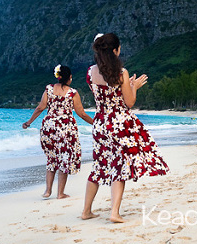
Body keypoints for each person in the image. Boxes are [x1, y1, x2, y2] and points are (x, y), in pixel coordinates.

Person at [81, 33, 169, 222]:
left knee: (99, 166)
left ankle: (86, 211)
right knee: (119, 167)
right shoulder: (122, 72)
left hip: (100, 123)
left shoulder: (90, 72)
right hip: (119, 123)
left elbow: (101, 95)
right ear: (115, 50)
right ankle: (114, 212)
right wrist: (133, 86)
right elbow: (128, 102)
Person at [23, 65, 94, 199]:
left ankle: (47, 191)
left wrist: (29, 122)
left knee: (52, 158)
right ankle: (60, 193)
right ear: (69, 78)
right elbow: (82, 114)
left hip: (48, 128)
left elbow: (40, 108)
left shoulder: (48, 89)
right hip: (65, 128)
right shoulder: (72, 93)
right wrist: (95, 123)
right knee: (64, 160)